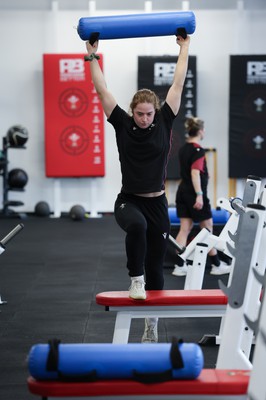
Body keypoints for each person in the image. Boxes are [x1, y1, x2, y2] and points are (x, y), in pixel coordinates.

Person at [85, 34, 190, 343]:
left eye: (149, 113)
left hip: (158, 202)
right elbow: (102, 89)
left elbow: (178, 84)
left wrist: (184, 47)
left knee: (158, 265)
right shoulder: (121, 123)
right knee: (137, 226)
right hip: (128, 201)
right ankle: (135, 279)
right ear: (132, 111)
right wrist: (92, 56)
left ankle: (151, 326)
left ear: (155, 112)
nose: (144, 119)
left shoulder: (165, 121)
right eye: (139, 113)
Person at [173, 117, 231, 276]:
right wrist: (199, 195)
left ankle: (179, 265)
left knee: (185, 228)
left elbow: (192, 170)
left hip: (182, 191)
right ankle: (216, 265)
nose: (204, 132)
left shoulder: (184, 149)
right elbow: (194, 172)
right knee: (207, 229)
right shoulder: (198, 150)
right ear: (199, 131)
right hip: (194, 194)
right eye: (203, 130)